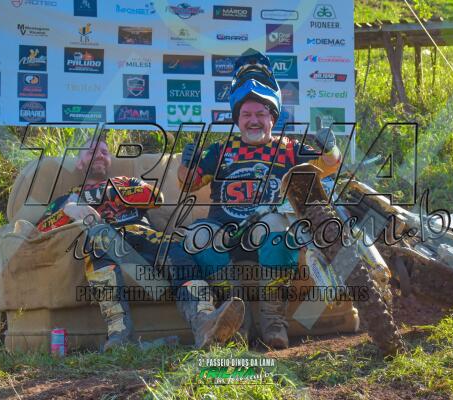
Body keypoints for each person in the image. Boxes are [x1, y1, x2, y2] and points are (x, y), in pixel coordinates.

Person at [177, 49, 343, 349]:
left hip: (269, 234)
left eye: (261, 114)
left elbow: (329, 165)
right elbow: (188, 184)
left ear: (273, 117)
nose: (253, 121)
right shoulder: (219, 150)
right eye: (247, 115)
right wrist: (186, 164)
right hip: (226, 233)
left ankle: (273, 322)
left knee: (277, 225)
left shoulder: (289, 148)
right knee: (197, 234)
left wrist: (330, 147)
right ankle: (237, 322)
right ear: (237, 119)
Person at [36, 136, 245, 351]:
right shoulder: (67, 199)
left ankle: (205, 323)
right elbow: (41, 229)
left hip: (146, 238)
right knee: (98, 237)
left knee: (180, 252)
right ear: (79, 163)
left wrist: (109, 192)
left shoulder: (125, 182)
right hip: (106, 244)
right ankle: (119, 336)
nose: (99, 155)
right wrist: (68, 210)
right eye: (91, 152)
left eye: (104, 152)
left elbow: (155, 197)